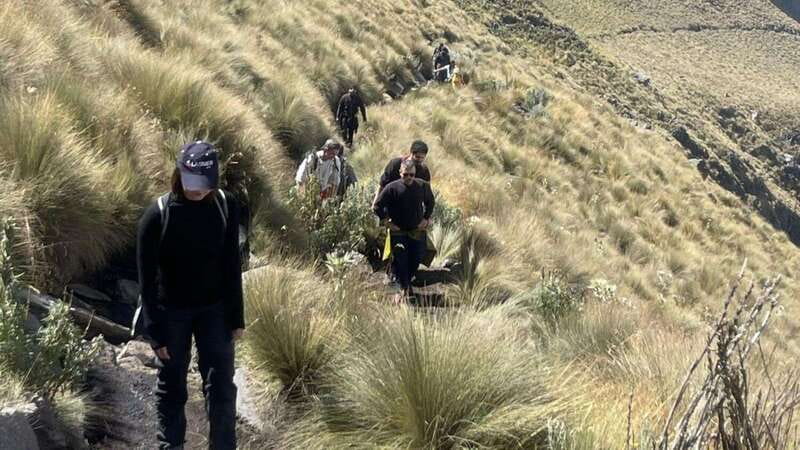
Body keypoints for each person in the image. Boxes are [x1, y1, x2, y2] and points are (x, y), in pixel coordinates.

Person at [136, 140, 244, 450]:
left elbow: (230, 265)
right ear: (178, 174)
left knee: (222, 384)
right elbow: (146, 279)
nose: (197, 190)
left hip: (215, 310)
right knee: (172, 387)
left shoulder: (225, 206)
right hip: (172, 312)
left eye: (204, 184)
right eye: (190, 182)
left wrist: (236, 318)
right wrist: (155, 333)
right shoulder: (156, 216)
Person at [373, 159, 436, 302]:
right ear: (400, 173)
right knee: (400, 260)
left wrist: (426, 218)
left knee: (417, 257)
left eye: (412, 175)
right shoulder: (391, 188)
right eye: (405, 175)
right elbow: (377, 206)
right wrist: (387, 222)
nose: (409, 178)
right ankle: (404, 288)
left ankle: (405, 284)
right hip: (398, 232)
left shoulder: (422, 186)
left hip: (417, 231)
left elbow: (431, 202)